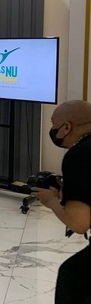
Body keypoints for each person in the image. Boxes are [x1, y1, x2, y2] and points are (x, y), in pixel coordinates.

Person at [32, 100, 91, 304]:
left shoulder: (80, 155)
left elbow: (79, 223)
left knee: (71, 277)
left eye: (53, 124)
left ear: (66, 127)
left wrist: (51, 201)